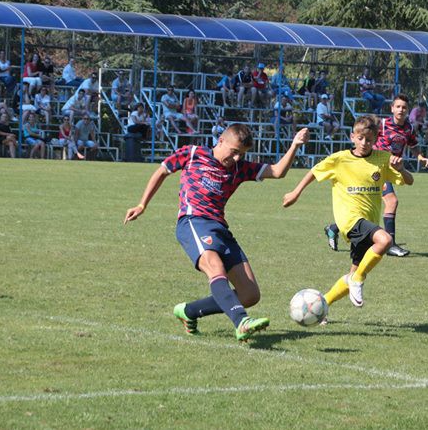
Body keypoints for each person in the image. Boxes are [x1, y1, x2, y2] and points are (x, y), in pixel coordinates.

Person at [123, 125, 309, 341]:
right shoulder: (193, 154)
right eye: (234, 151)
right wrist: (142, 205)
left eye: (242, 154)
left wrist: (295, 145)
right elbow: (162, 171)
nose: (237, 158)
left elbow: (277, 171)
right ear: (220, 141)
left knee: (250, 294)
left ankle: (189, 311)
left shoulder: (240, 168)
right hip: (193, 222)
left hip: (220, 228)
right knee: (215, 267)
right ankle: (241, 321)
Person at [284, 115, 413, 316]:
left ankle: (321, 305)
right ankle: (358, 279)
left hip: (368, 221)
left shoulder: (383, 159)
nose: (364, 143)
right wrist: (295, 192)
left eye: (369, 140)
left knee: (352, 273)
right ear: (353, 136)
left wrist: (401, 169)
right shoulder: (340, 159)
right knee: (385, 240)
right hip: (350, 221)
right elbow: (314, 172)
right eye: (360, 138)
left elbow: (409, 181)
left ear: (375, 139)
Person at [325, 94, 428, 257]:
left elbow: (413, 144)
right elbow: (364, 130)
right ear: (392, 108)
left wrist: (420, 157)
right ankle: (391, 244)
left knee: (364, 210)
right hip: (376, 168)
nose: (401, 110)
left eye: (404, 107)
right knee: (391, 201)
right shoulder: (381, 124)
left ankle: (334, 228)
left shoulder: (408, 128)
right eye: (398, 106)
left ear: (408, 110)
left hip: (391, 170)